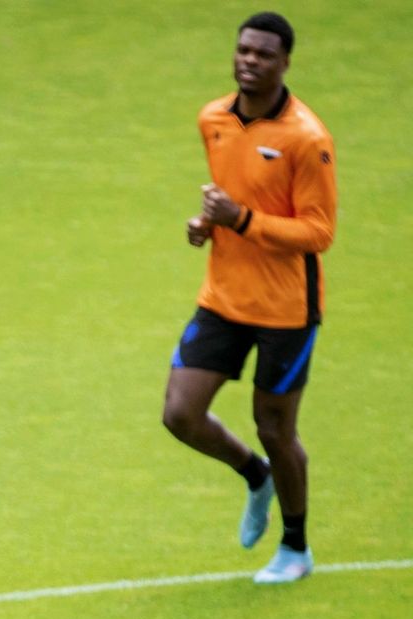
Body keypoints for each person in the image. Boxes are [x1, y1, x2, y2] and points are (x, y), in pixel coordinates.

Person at [162, 11, 334, 585]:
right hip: (223, 298)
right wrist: (209, 223)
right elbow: (233, 199)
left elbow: (318, 232)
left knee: (275, 427)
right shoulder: (213, 118)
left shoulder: (308, 139)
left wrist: (240, 218)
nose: (249, 60)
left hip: (286, 310)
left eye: (262, 54)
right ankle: (254, 476)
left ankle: (295, 547)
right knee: (180, 414)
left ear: (285, 62)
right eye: (243, 50)